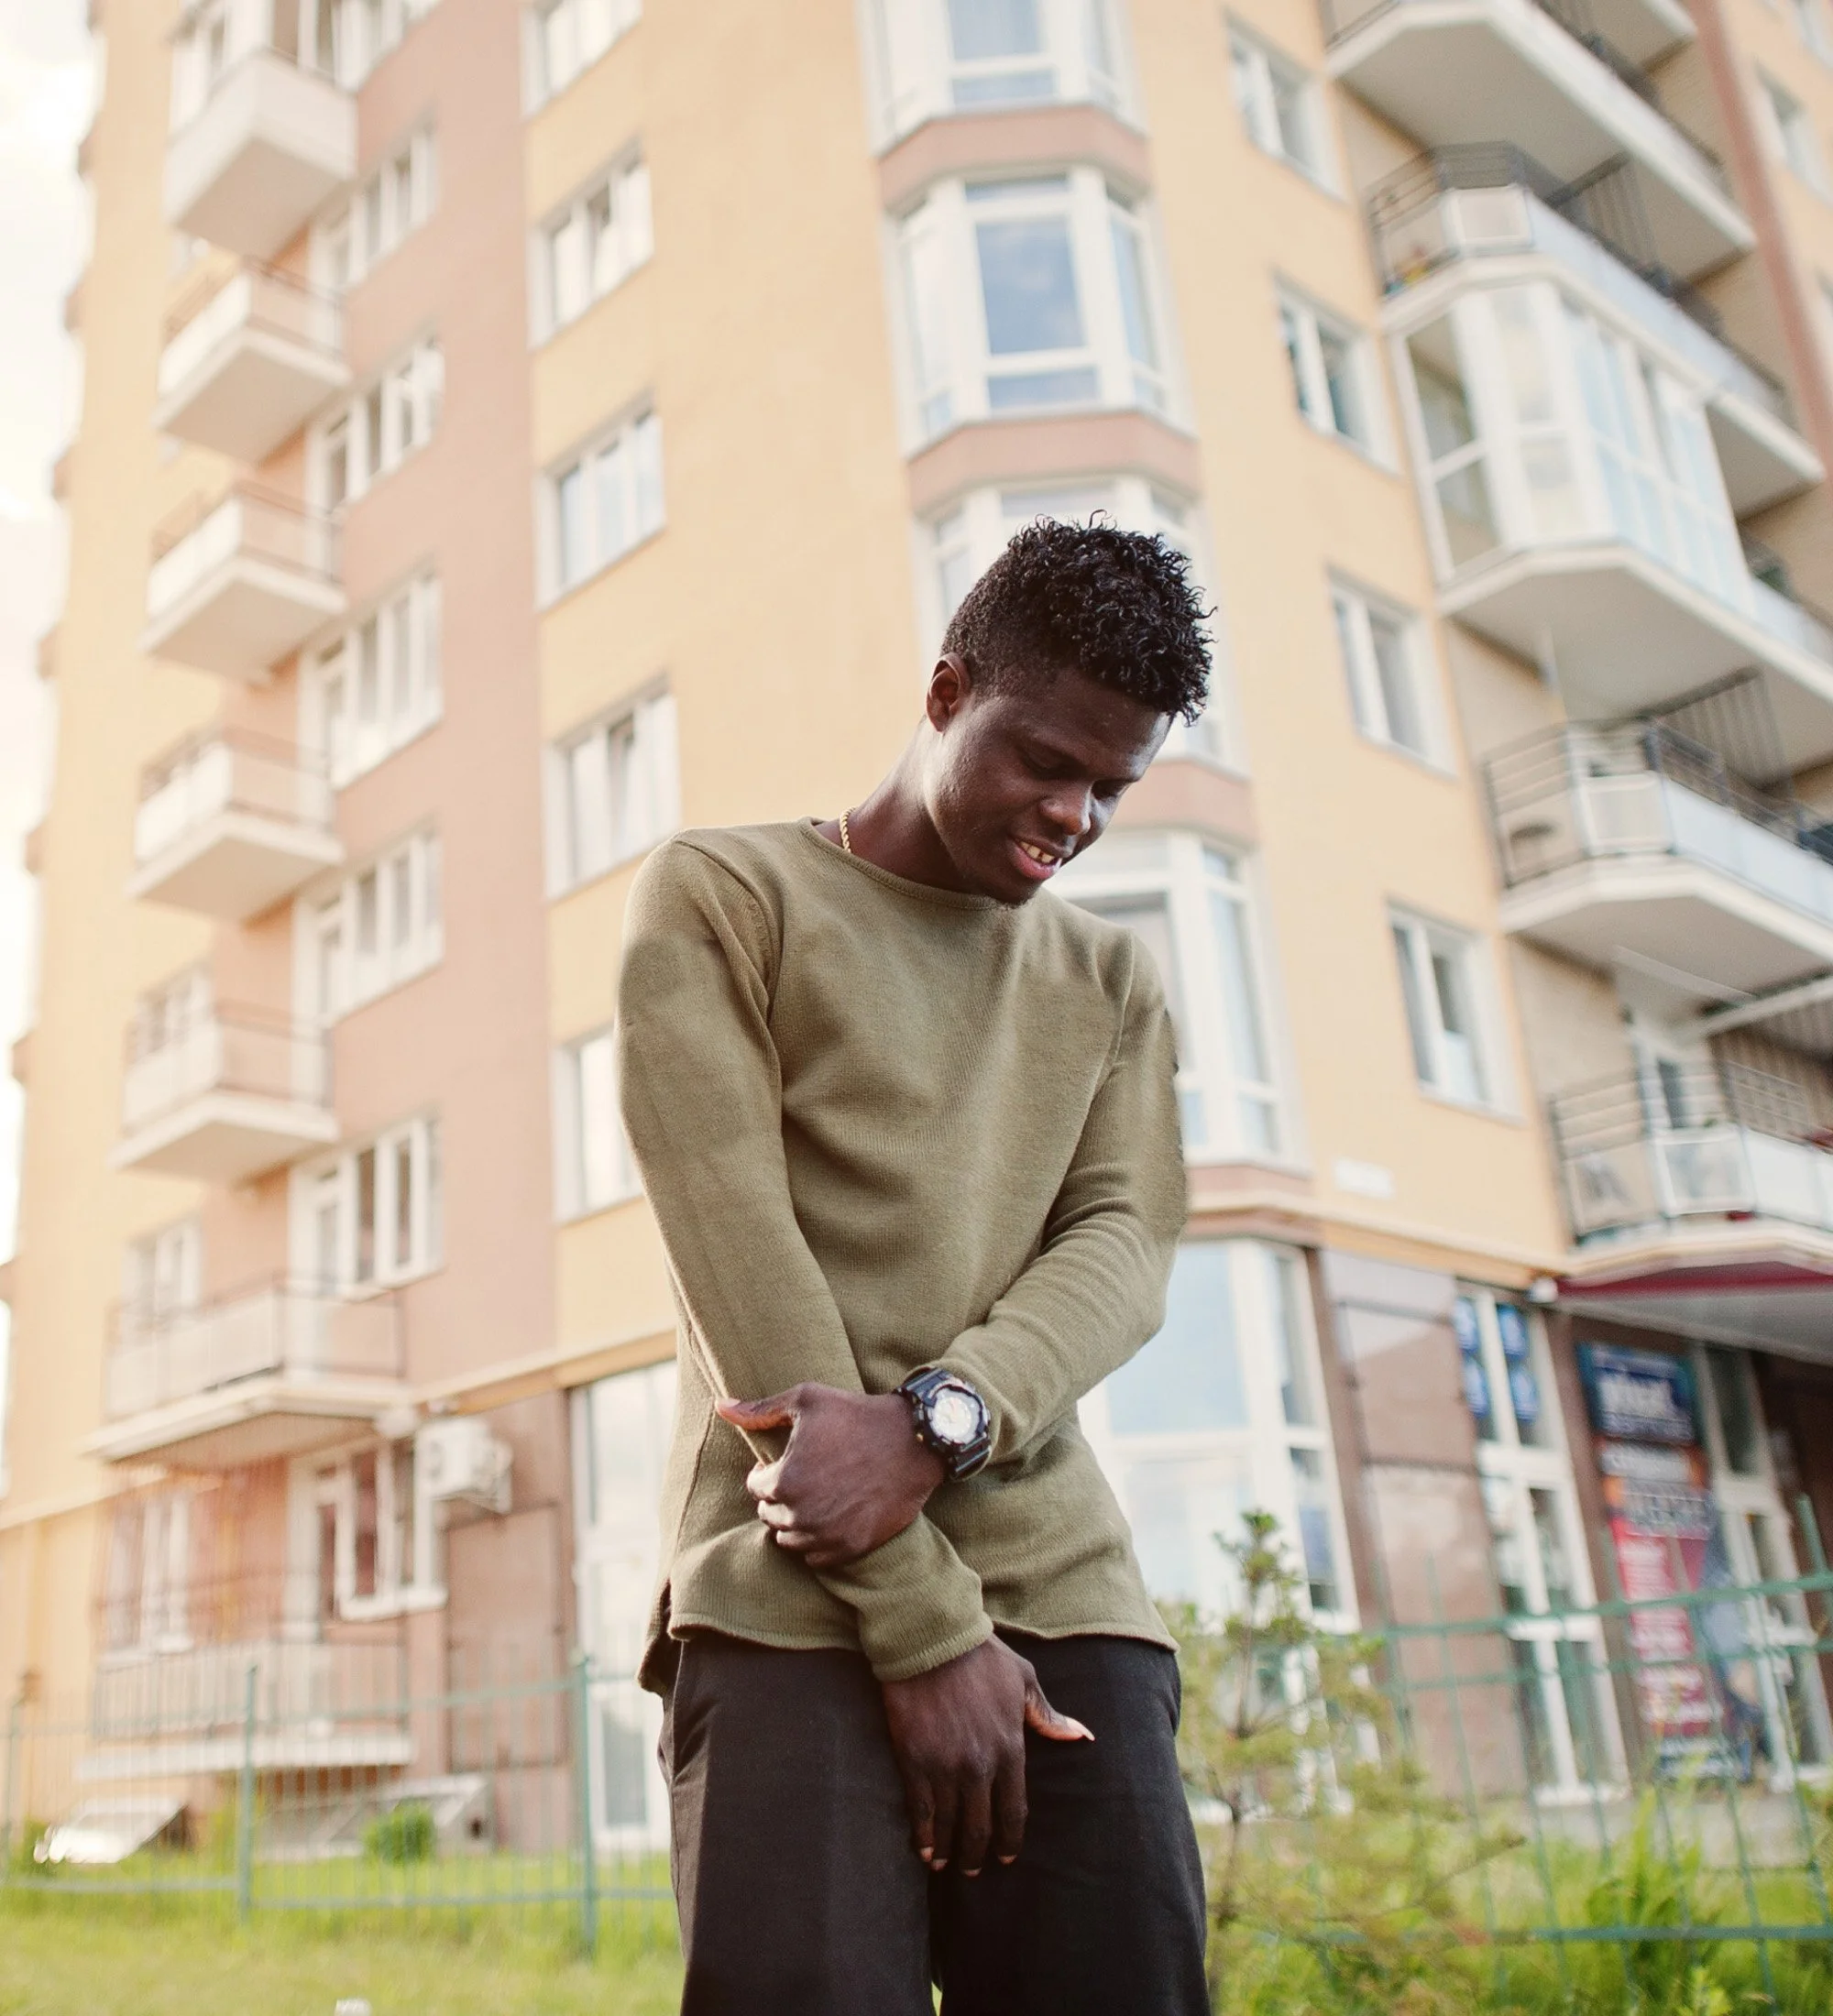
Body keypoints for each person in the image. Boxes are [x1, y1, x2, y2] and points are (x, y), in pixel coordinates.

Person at [616, 518, 1213, 2014]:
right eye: (1046, 761)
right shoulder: (722, 899)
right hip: (789, 1599)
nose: (1072, 816)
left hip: (1071, 1603)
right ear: (948, 691)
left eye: (1110, 788)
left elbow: (1127, 1244)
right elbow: (735, 1253)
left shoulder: (1112, 981)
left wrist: (950, 1411)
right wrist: (929, 1628)